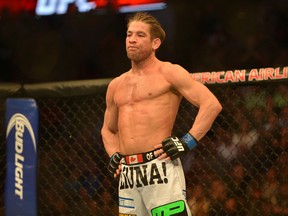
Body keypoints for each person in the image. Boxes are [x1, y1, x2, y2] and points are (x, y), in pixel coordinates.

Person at [101, 12, 222, 216]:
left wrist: (187, 142)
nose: (131, 39)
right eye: (129, 34)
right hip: (129, 174)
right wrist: (113, 154)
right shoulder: (116, 85)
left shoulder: (169, 72)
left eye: (140, 35)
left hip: (159, 167)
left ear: (155, 43)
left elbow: (211, 104)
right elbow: (108, 129)